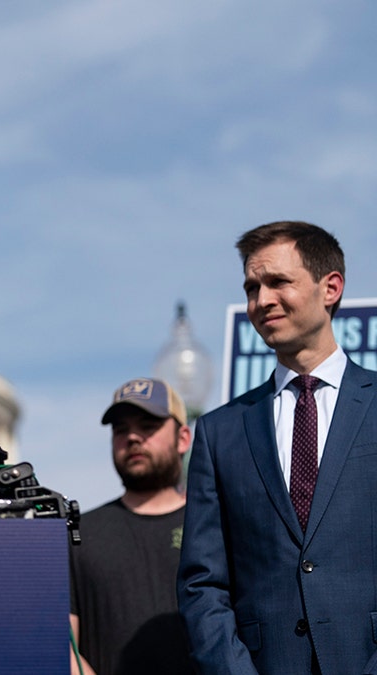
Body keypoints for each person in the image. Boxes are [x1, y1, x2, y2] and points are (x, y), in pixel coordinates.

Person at [178, 221, 377, 673]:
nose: (261, 299)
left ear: (331, 288)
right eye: (252, 286)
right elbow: (202, 584)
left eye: (278, 282)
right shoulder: (219, 432)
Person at [69, 378, 194, 675]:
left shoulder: (214, 527)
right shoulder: (76, 533)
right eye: (121, 430)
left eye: (148, 426)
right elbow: (63, 645)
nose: (133, 438)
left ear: (183, 438)